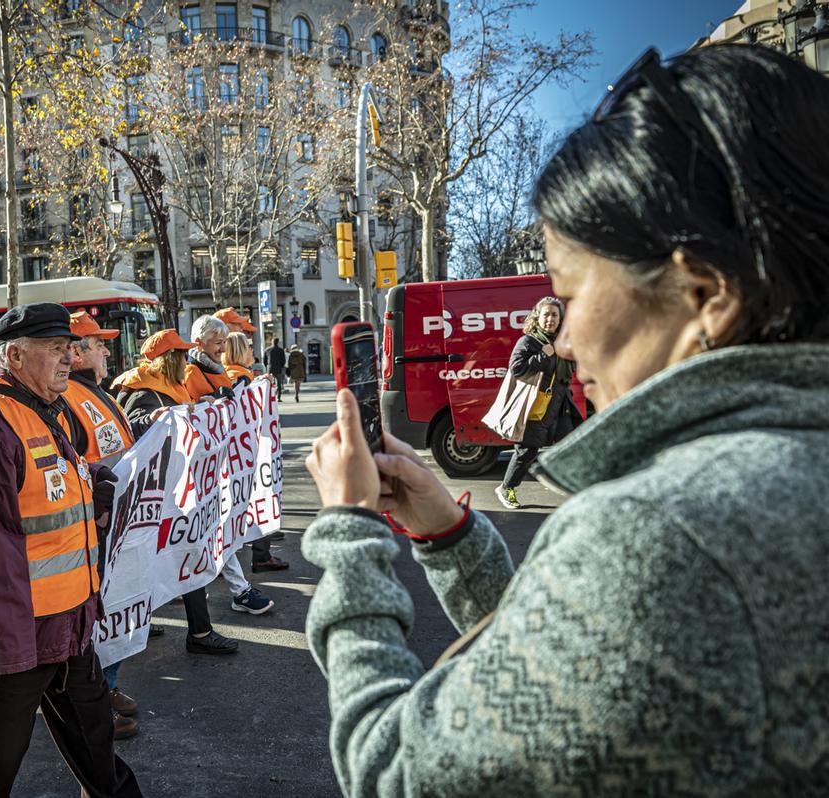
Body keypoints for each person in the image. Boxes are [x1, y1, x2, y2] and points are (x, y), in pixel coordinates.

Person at [299, 44, 829, 794]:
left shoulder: (659, 533)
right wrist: (451, 539)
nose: (565, 337)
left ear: (706, 293)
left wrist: (350, 534)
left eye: (571, 294)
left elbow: (397, 772)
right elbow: (594, 673)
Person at [0, 303, 141, 798]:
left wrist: (93, 487)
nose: (69, 358)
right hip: (14, 640)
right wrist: (7, 652)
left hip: (66, 628)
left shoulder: (42, 410)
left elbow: (43, 495)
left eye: (70, 348)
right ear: (15, 355)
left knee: (98, 750)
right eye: (55, 349)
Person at [117, 329, 241, 654]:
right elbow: (130, 423)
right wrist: (152, 418)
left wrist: (203, 407)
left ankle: (195, 630)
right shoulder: (142, 389)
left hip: (177, 491)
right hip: (158, 496)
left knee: (186, 555)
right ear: (170, 359)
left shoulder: (172, 387)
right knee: (174, 556)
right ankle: (194, 632)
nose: (187, 361)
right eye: (182, 355)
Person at [61, 311, 142, 740]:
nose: (107, 349)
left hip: (115, 523)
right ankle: (93, 699)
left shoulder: (92, 392)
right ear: (76, 352)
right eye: (98, 343)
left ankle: (106, 686)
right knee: (97, 616)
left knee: (113, 609)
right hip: (96, 524)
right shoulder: (70, 398)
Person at [184, 316, 283, 600]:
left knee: (216, 526)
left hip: (219, 464)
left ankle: (235, 589)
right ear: (200, 343)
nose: (222, 348)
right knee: (214, 525)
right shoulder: (192, 373)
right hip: (204, 465)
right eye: (218, 343)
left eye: (225, 342)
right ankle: (239, 590)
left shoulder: (214, 369)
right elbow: (190, 413)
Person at [493, 297, 581, 510]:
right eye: (546, 314)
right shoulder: (529, 341)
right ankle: (506, 488)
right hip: (536, 404)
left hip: (560, 404)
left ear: (560, 319)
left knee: (569, 445)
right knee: (527, 451)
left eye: (554, 315)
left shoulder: (562, 340)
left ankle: (575, 491)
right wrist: (542, 355)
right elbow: (517, 368)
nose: (550, 319)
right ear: (537, 317)